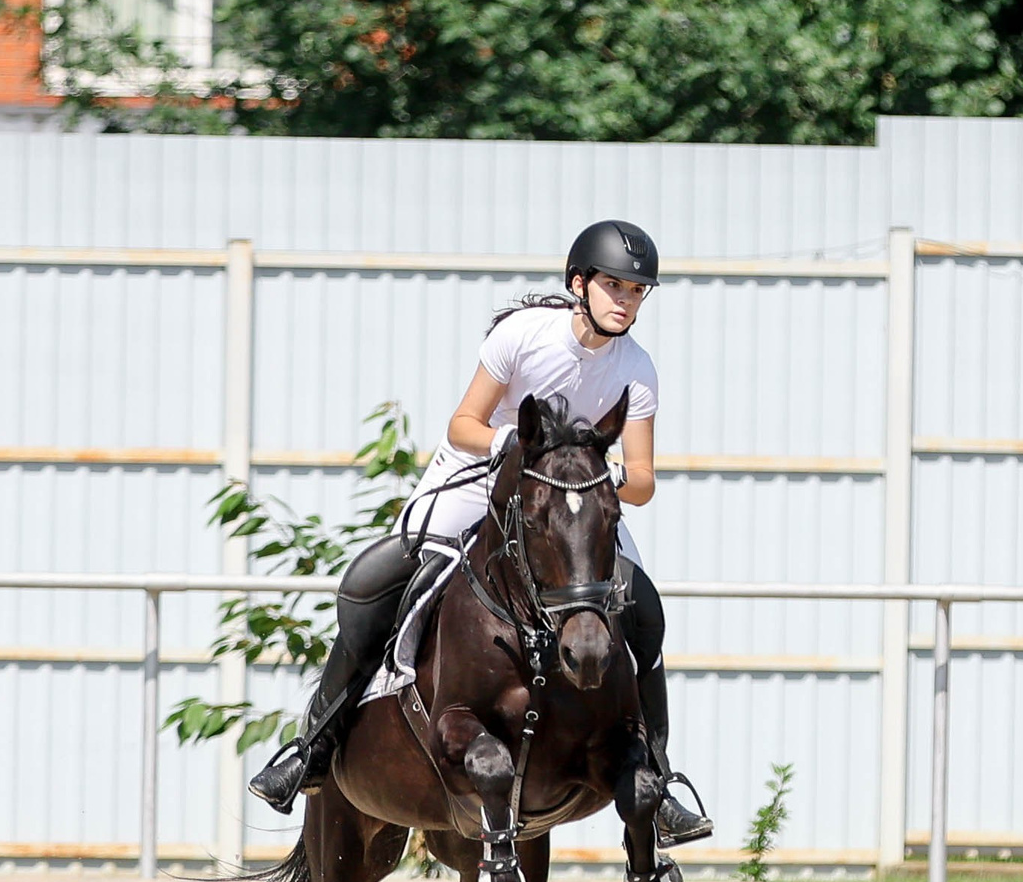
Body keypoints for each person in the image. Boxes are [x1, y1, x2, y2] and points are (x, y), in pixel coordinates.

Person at [249, 218, 713, 848]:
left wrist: (600, 482)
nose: (625, 301)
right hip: (477, 477)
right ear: (579, 283)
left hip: (575, 503)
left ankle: (657, 782)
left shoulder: (637, 369)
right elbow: (463, 423)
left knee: (642, 609)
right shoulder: (523, 336)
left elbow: (645, 480)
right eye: (614, 285)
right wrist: (517, 449)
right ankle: (314, 744)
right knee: (386, 577)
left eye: (636, 291)